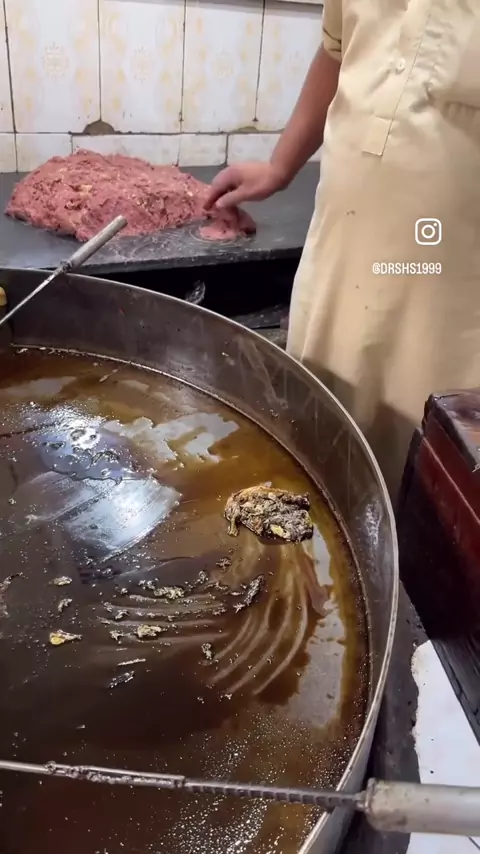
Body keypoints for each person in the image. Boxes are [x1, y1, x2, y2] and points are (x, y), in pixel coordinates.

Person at [205, 2, 480, 499]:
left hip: (450, 283)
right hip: (340, 246)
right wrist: (279, 167)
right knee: (314, 434)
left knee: (421, 470)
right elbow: (337, 50)